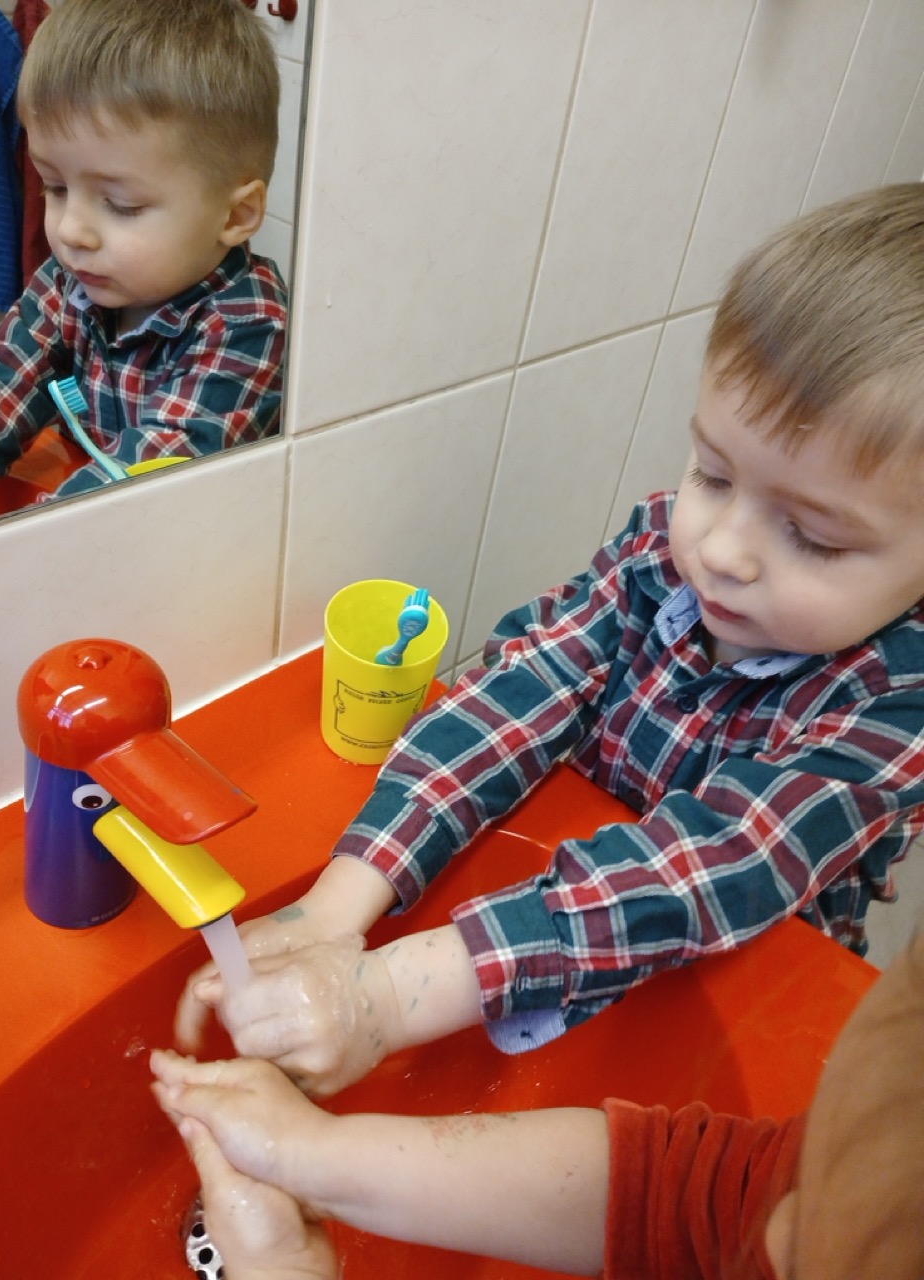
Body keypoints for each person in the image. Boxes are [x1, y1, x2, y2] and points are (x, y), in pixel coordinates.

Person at [177, 183, 924, 1093]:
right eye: (713, 475)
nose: (723, 551)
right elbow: (518, 695)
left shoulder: (898, 703)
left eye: (813, 537)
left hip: (738, 1002)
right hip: (557, 922)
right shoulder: (659, 558)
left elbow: (712, 866)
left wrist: (388, 1000)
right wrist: (340, 901)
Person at [153, 929, 924, 1280]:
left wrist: (281, 1272)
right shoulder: (832, 1192)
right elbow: (681, 1199)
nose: (778, 1227)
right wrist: (314, 1157)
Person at [0, 0, 288, 523]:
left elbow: (140, 492)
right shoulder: (72, 282)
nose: (70, 231)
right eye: (56, 187)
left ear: (236, 215)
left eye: (121, 205)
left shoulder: (250, 325)